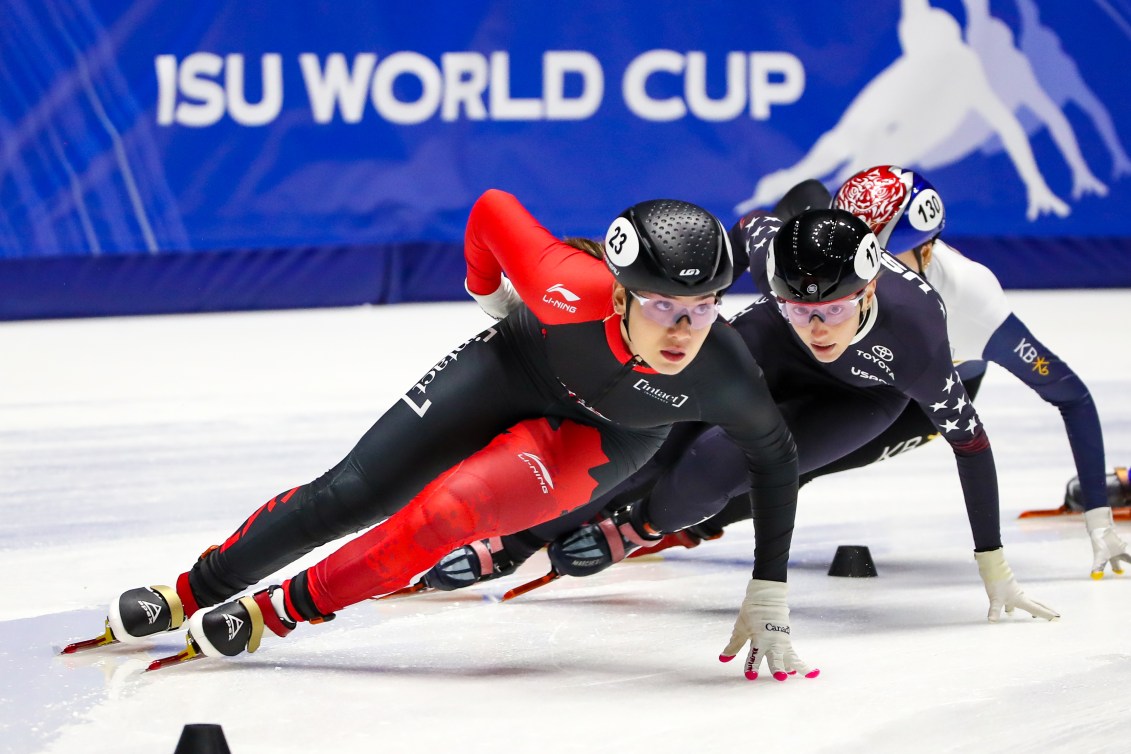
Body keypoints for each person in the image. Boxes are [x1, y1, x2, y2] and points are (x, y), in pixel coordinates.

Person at [69, 189, 811, 679]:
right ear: (617, 290)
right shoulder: (560, 281)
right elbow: (491, 210)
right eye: (663, 305)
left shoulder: (722, 371)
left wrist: (768, 588)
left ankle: (276, 612)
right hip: (516, 363)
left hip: (604, 437)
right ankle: (190, 591)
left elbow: (775, 458)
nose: (684, 328)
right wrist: (487, 292)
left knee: (450, 513)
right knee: (351, 493)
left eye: (705, 305)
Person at [424, 195, 1061, 629]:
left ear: (870, 290)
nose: (818, 327)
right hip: (767, 347)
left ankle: (640, 526)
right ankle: (522, 536)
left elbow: (972, 447)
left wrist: (994, 566)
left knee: (713, 465)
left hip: (862, 396)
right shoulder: (767, 250)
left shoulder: (920, 341)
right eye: (799, 306)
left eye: (835, 310)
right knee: (656, 422)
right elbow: (746, 229)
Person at [685, 165, 1129, 578]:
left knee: (800, 457)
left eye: (881, 258)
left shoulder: (974, 305)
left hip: (907, 394)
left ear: (927, 248)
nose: (860, 272)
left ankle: (686, 527)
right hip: (836, 357)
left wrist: (1099, 520)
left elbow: (1070, 394)